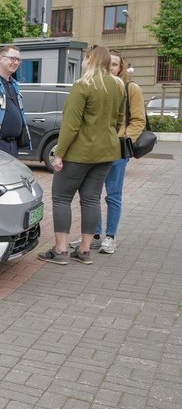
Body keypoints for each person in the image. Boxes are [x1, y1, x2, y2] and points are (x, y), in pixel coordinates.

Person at [39, 45, 124, 265]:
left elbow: (71, 125)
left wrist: (59, 153)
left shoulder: (83, 85)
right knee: (91, 199)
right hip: (106, 153)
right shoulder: (117, 86)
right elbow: (118, 120)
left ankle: (60, 250)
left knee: (61, 197)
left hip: (79, 153)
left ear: (89, 59)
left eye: (85, 58)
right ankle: (85, 251)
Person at [68, 49, 145, 254]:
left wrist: (123, 139)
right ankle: (93, 235)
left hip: (117, 150)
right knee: (91, 194)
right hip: (96, 149)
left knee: (113, 194)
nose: (110, 67)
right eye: (108, 63)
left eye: (115, 64)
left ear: (121, 67)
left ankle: (110, 236)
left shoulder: (129, 88)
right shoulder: (96, 85)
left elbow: (138, 119)